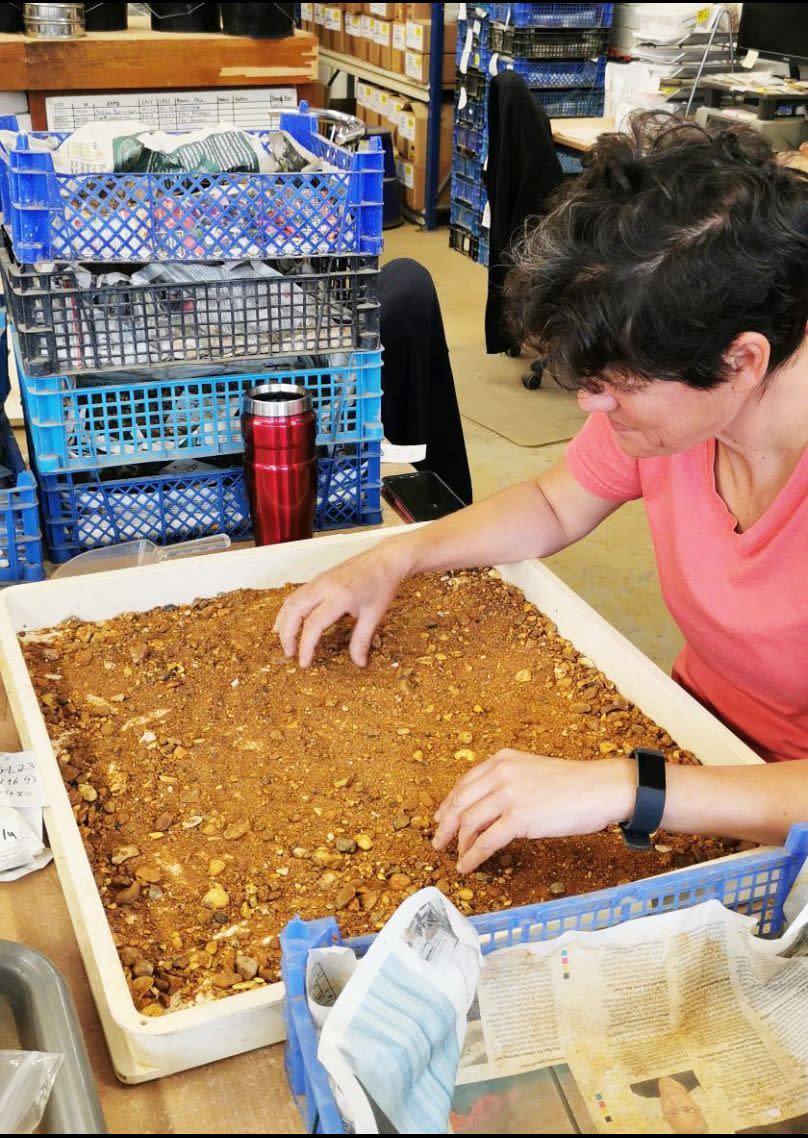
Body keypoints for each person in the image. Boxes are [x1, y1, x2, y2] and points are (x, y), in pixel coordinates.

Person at [274, 112, 808, 875]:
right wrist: (395, 557)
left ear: (742, 360)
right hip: (692, 735)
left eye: (617, 385)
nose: (591, 408)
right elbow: (557, 504)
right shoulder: (675, 414)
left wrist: (634, 788)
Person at [632, 1071, 709, 1134]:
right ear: (696, 1105)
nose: (675, 1102)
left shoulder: (639, 1089)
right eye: (687, 1109)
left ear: (664, 1115)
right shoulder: (697, 1075)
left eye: (673, 1112)